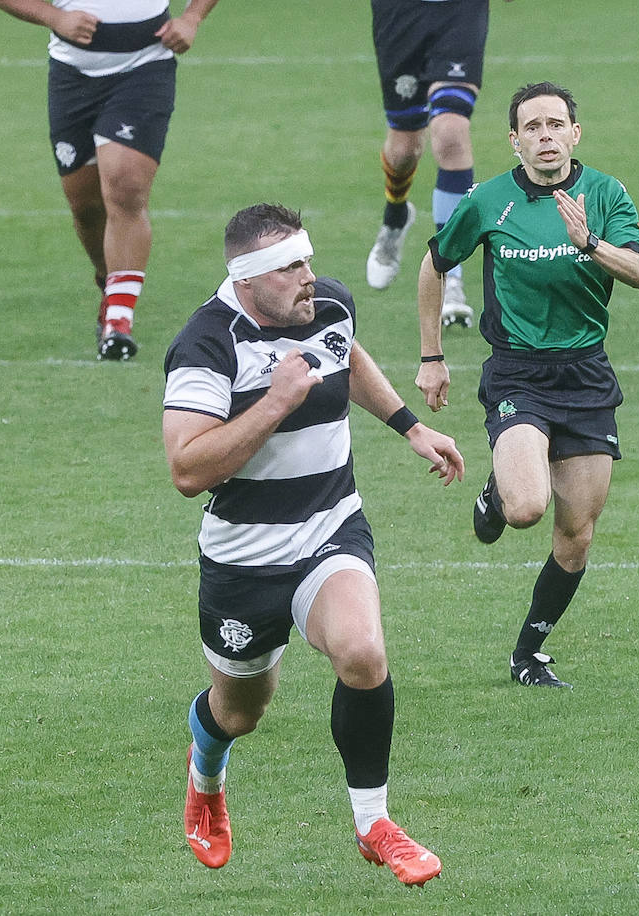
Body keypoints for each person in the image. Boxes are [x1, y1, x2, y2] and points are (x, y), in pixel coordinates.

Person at [162, 203, 465, 884]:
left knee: (362, 651)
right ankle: (206, 774)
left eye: (308, 258)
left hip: (330, 525)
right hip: (244, 559)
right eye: (289, 267)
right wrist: (274, 402)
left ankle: (373, 822)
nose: (309, 276)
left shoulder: (325, 303)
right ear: (246, 281)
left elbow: (344, 354)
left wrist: (411, 427)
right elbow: (187, 470)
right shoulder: (207, 345)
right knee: (240, 712)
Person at [413, 82, 639, 689]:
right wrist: (432, 357)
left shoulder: (604, 194)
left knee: (576, 535)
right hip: (518, 372)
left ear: (575, 133)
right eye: (533, 127)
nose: (546, 137)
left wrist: (590, 243)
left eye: (556, 125)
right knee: (526, 508)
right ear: (515, 140)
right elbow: (434, 264)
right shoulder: (488, 200)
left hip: (587, 375)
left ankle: (528, 653)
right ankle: (498, 491)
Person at [0, 0, 221, 360]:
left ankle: (119, 321)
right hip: (72, 74)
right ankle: (109, 281)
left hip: (145, 67)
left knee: (126, 187)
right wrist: (55, 17)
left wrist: (192, 17)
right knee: (85, 206)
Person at [365, 0, 514, 329]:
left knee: (450, 131)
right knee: (404, 149)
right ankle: (396, 215)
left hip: (458, 10)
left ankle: (449, 276)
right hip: (399, 14)